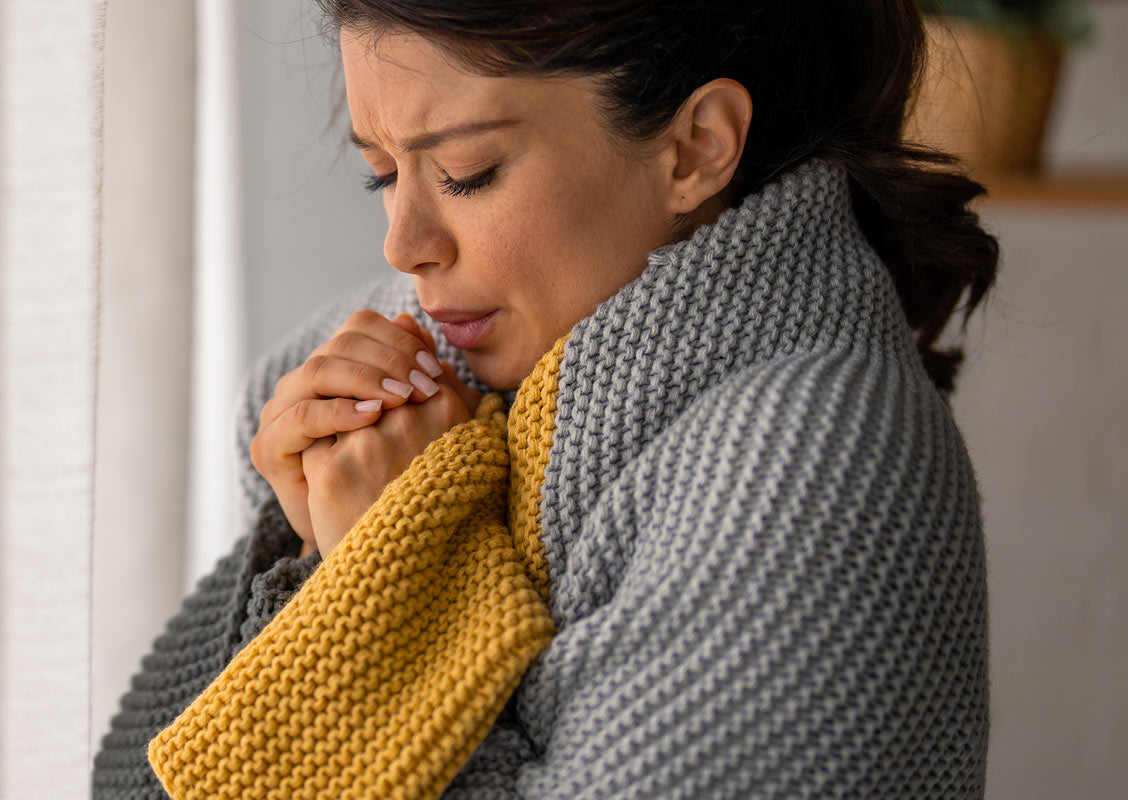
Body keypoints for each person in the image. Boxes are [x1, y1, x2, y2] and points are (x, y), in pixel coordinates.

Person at [93, 1, 997, 797]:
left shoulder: (817, 470)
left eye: (468, 173)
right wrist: (309, 547)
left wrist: (407, 563)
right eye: (381, 172)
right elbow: (132, 781)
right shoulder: (407, 370)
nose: (404, 243)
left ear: (696, 147)